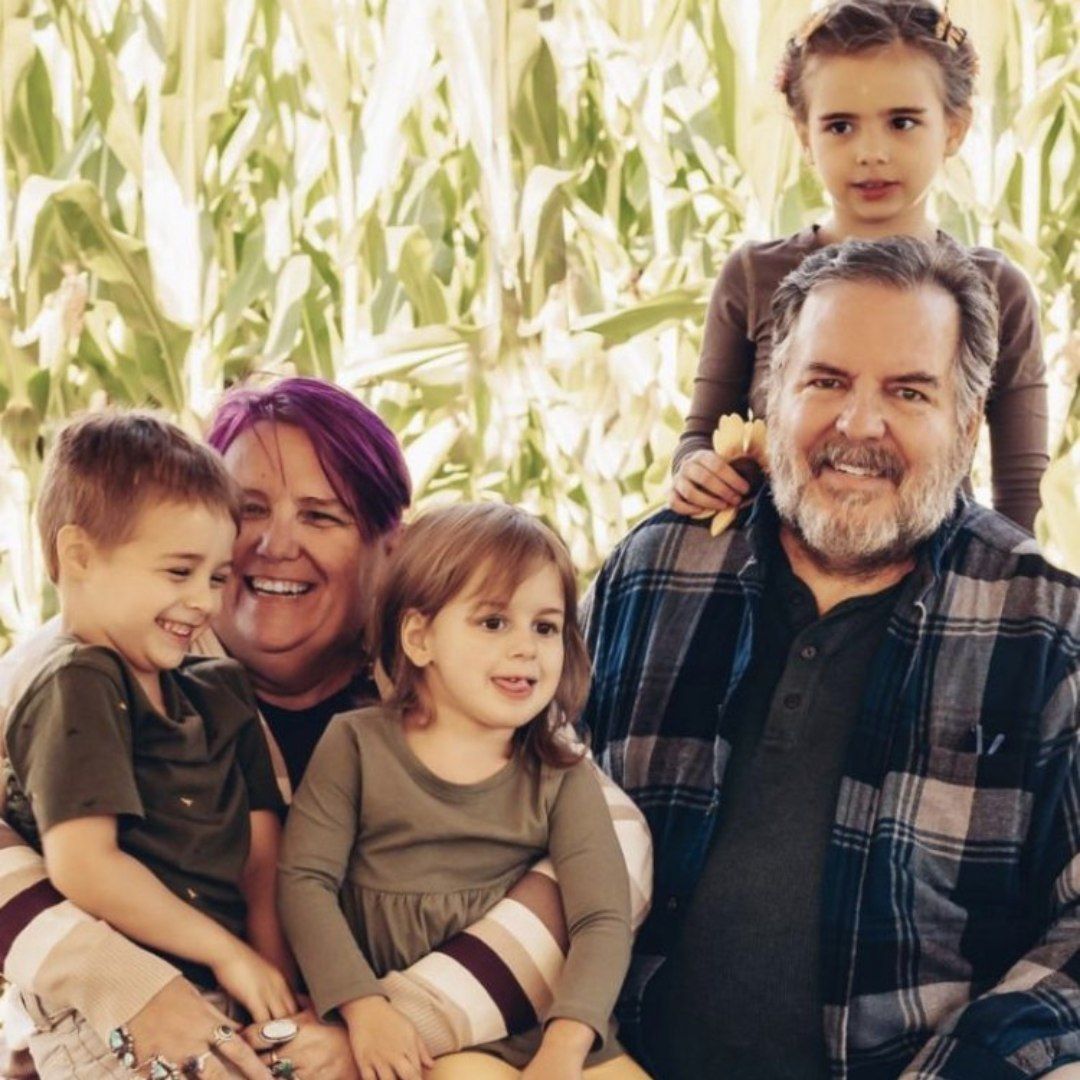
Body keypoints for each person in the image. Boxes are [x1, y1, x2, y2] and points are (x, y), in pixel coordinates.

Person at [0, 378, 652, 1080]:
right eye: (249, 511)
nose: (274, 545)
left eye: (321, 516)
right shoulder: (88, 669)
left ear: (388, 546)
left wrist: (384, 1022)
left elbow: (617, 848)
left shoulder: (452, 673)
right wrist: (127, 986)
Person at [584, 236, 1080, 1078]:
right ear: (773, 395)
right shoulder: (655, 571)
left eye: (908, 391)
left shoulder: (1043, 626)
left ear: (966, 423)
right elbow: (515, 794)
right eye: (825, 381)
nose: (858, 424)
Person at [280, 502, 645, 1080]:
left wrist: (566, 1046)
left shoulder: (560, 771)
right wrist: (364, 1006)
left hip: (545, 1023)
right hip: (415, 1035)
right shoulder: (357, 745)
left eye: (545, 626)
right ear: (420, 638)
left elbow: (601, 919)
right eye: (494, 622)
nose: (526, 647)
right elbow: (304, 882)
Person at [671, 0, 1047, 532]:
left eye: (902, 122)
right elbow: (700, 436)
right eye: (841, 126)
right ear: (805, 135)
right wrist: (695, 469)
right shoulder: (753, 276)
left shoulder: (997, 289)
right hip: (760, 574)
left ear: (954, 128)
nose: (871, 151)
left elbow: (1020, 489)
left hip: (936, 584)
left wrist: (1008, 594)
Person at [1, 413, 297, 1078]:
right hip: (106, 1010)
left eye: (218, 577)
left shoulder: (220, 690)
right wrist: (228, 952)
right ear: (78, 555)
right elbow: (85, 865)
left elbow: (261, 854)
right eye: (178, 571)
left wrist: (270, 976)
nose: (203, 602)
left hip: (221, 986)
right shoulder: (75, 681)